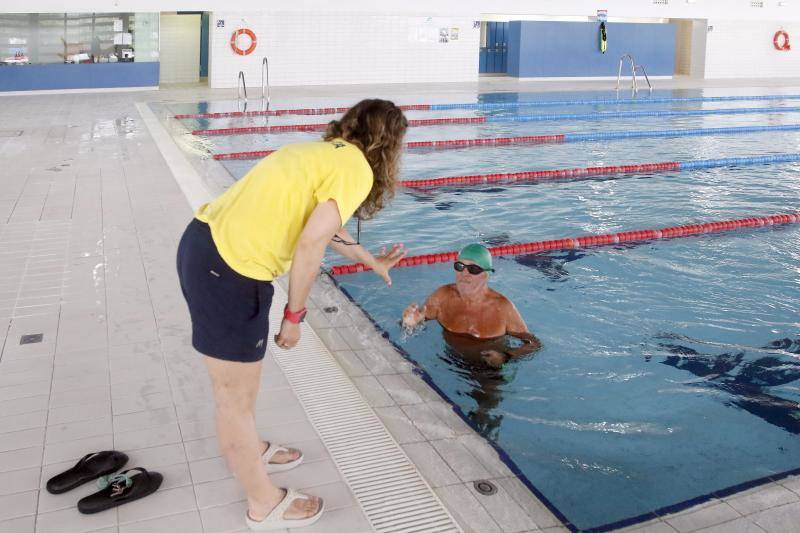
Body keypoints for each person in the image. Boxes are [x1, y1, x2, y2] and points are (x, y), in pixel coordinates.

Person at [176, 99, 408, 530]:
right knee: (233, 400)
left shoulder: (317, 153)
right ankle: (262, 504)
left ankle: (252, 446)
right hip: (229, 270)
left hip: (205, 245)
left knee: (241, 393)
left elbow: (322, 223)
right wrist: (294, 315)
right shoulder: (357, 168)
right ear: (387, 144)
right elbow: (310, 243)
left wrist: (369, 260)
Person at [402, 243, 541, 368]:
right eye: (459, 266)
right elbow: (416, 322)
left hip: (487, 368)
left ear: (487, 274)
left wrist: (506, 356)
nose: (464, 274)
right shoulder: (442, 296)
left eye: (473, 269)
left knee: (487, 397)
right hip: (448, 359)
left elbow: (533, 344)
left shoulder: (502, 307)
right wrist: (409, 323)